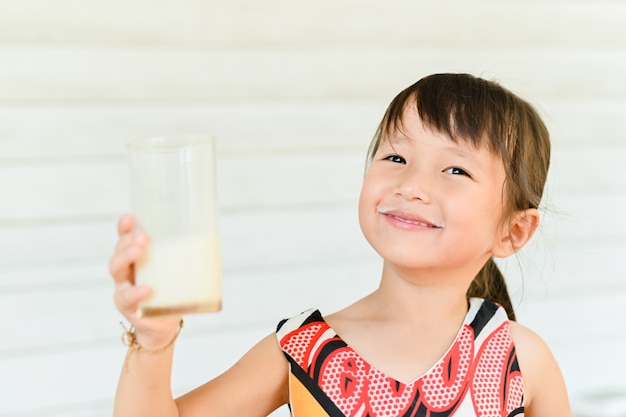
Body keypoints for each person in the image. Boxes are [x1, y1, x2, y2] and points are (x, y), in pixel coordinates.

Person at [109, 73, 572, 416]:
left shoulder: (520, 358)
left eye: (455, 170)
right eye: (395, 156)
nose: (411, 184)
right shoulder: (302, 349)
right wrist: (152, 339)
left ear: (513, 231)